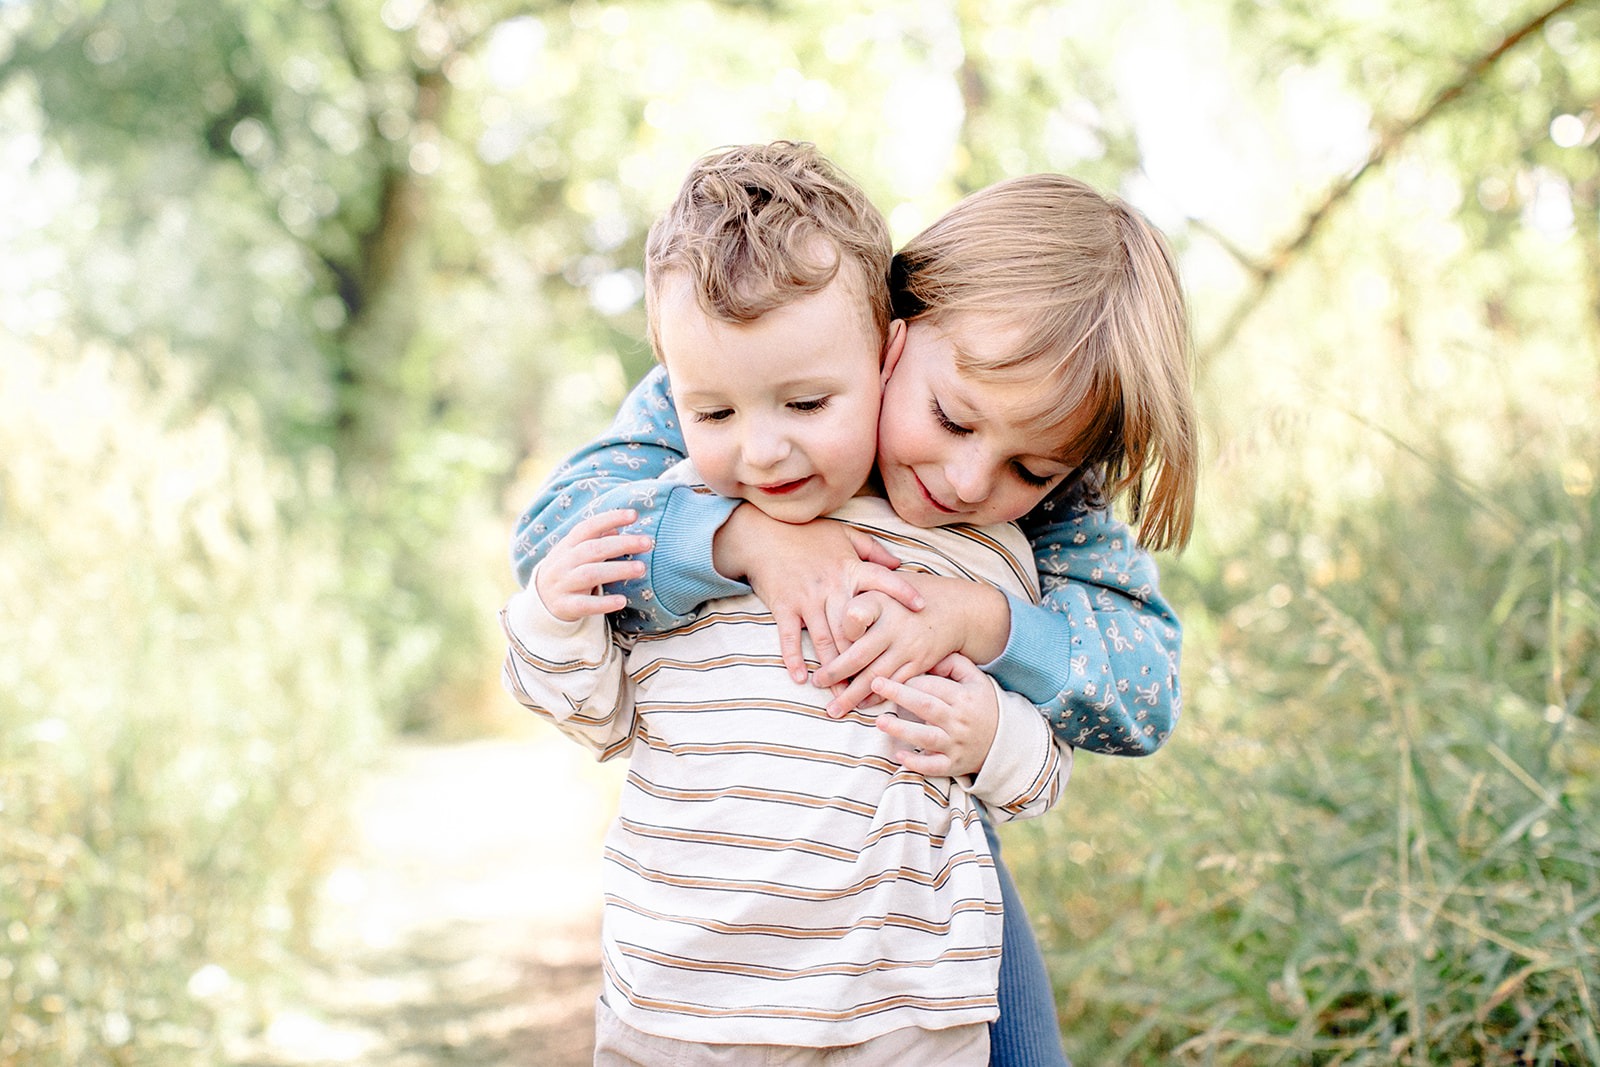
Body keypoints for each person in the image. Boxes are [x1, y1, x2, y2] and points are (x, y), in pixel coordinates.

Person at [511, 159, 1197, 1066]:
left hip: (910, 864)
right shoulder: (763, 375)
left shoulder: (1044, 501)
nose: (968, 482)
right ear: (892, 330)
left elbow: (1143, 682)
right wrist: (744, 537)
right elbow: (558, 532)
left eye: (1032, 470)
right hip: (710, 937)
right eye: (951, 419)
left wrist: (985, 618)